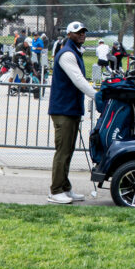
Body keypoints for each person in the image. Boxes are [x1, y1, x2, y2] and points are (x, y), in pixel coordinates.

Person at [47, 21, 97, 205]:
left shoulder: (75, 52)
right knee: (63, 151)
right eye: (77, 32)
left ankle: (65, 188)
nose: (82, 34)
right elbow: (78, 79)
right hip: (63, 110)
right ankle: (56, 190)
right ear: (69, 35)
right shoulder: (67, 54)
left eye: (83, 31)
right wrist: (96, 96)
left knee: (68, 150)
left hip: (71, 109)